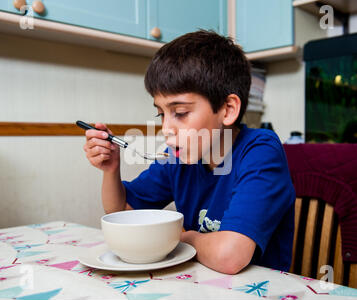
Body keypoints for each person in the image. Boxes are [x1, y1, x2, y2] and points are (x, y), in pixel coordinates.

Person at [82, 30, 296, 274]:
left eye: (180, 113)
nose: (166, 129)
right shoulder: (179, 157)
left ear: (227, 109)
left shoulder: (260, 152)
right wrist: (111, 170)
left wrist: (184, 237)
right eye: (161, 114)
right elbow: (121, 212)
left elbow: (230, 256)